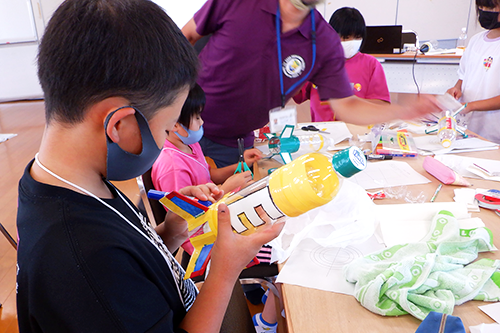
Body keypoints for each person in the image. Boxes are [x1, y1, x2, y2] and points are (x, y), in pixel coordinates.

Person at [16, 1, 283, 332]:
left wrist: (169, 232)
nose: (167, 137)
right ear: (120, 126)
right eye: (168, 127)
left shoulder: (74, 178)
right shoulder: (83, 257)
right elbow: (110, 274)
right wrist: (225, 269)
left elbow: (131, 263)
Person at [182, 0, 439, 167]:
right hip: (181, 130)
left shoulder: (324, 43)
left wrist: (405, 111)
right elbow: (185, 37)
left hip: (235, 144)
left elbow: (348, 105)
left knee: (223, 223)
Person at [151, 83, 261, 200]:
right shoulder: (173, 167)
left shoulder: (188, 144)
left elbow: (208, 174)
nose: (202, 122)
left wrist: (240, 165)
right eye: (197, 117)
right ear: (174, 124)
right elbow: (186, 215)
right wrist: (225, 189)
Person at [294, 7, 391, 122]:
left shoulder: (371, 65)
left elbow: (383, 106)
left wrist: (353, 103)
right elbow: (297, 93)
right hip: (321, 133)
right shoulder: (317, 61)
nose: (351, 42)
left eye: (357, 37)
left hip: (356, 132)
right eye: (345, 38)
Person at [446, 0, 500, 144]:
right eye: (480, 7)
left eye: (489, 7)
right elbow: (463, 75)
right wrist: (456, 88)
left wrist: (472, 105)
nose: (483, 11)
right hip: (468, 128)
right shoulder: (475, 40)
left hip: (493, 132)